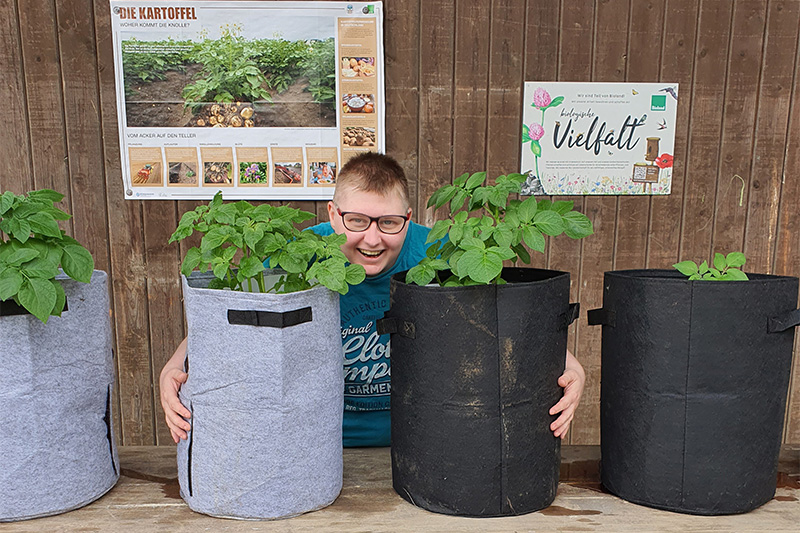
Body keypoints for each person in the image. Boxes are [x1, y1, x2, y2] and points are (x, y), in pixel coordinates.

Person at [160, 152, 586, 446]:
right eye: (357, 220)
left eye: (388, 223)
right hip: (314, 440)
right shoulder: (294, 257)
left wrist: (567, 363)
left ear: (408, 219)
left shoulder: (442, 255)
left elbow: (495, 316)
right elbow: (236, 318)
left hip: (424, 439)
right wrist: (176, 364)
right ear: (332, 214)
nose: (372, 238)